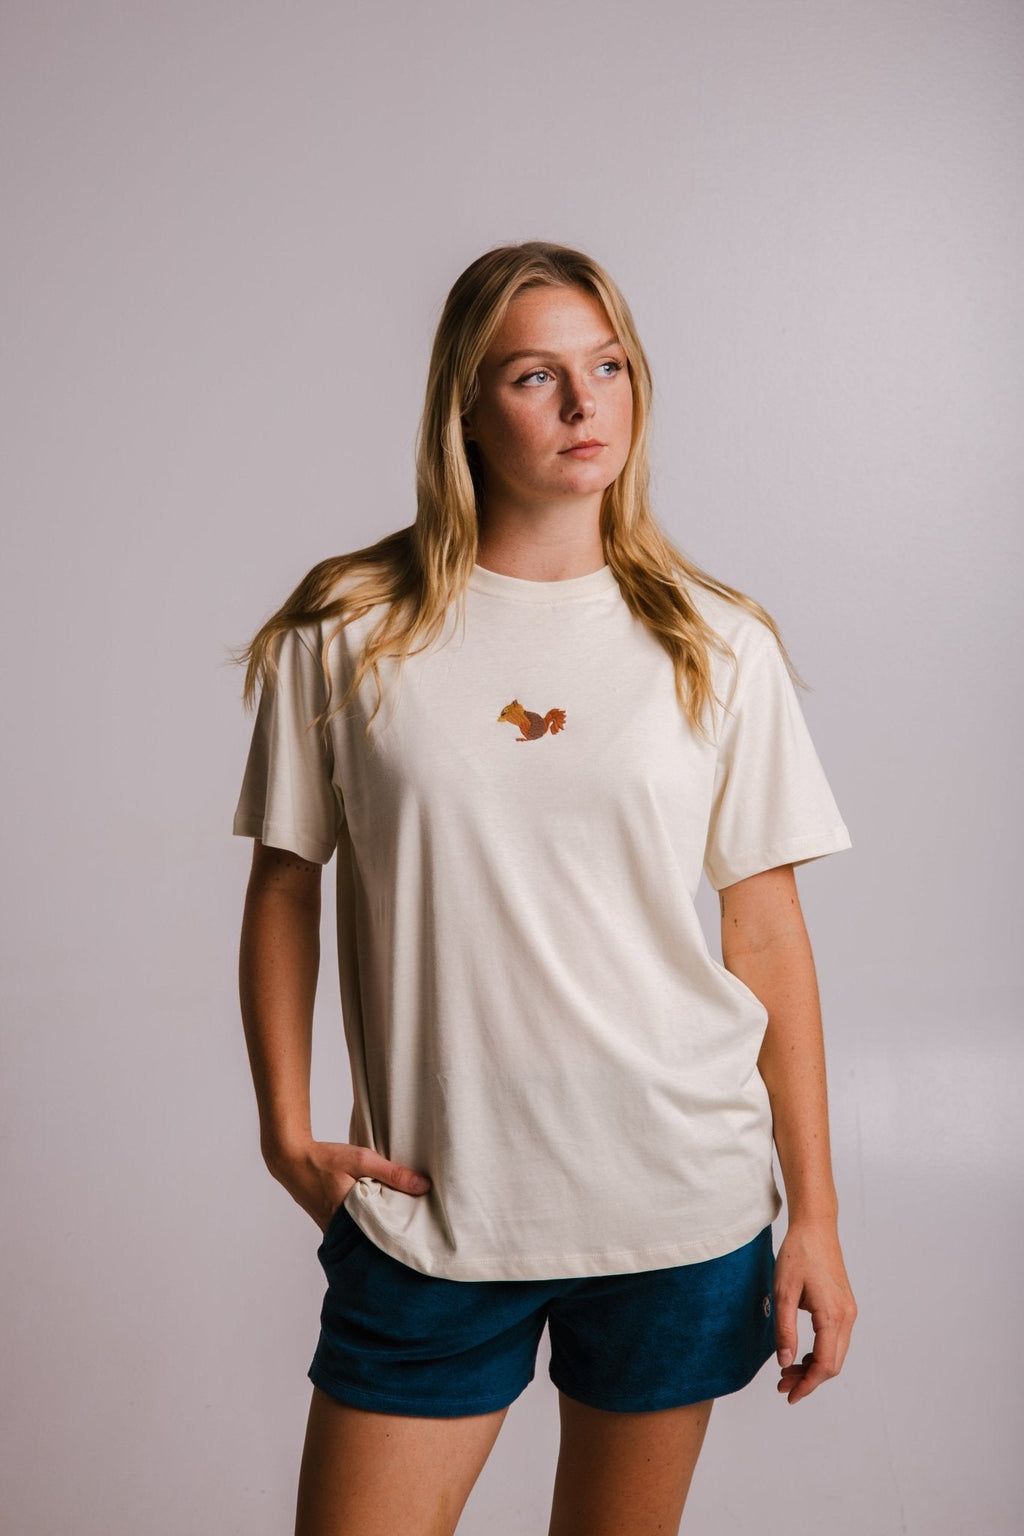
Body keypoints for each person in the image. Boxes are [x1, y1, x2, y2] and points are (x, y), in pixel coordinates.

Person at [232, 239, 858, 1536]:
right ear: (464, 407)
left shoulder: (716, 641)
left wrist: (818, 1218)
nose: (584, 404)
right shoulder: (347, 629)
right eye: (535, 376)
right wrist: (285, 1133)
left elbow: (764, 932)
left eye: (608, 367)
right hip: (435, 1211)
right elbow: (285, 887)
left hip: (677, 1205)